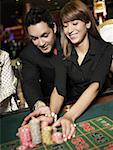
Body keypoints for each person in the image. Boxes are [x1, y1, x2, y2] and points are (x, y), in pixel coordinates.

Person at [22, 0, 113, 141]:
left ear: (87, 23)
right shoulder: (64, 51)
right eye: (65, 25)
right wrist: (50, 116)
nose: (70, 30)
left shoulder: (106, 49)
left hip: (104, 103)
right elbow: (59, 88)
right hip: (74, 105)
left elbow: (95, 86)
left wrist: (69, 116)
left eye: (75, 23)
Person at [20, 7, 63, 111]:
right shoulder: (28, 54)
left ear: (54, 28)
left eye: (44, 35)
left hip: (83, 98)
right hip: (51, 105)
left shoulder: (67, 41)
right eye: (35, 38)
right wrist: (38, 104)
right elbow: (30, 82)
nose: (41, 43)